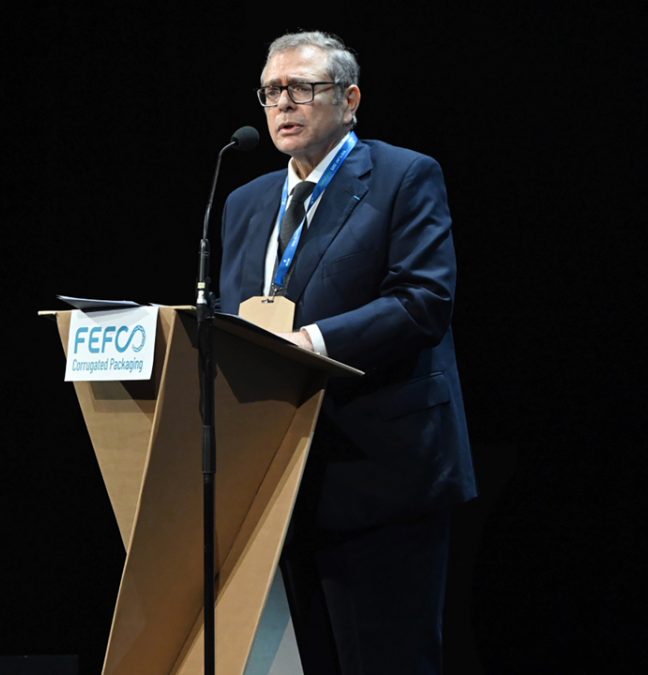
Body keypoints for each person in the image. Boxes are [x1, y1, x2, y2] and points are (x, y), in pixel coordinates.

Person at [217, 31, 477, 674]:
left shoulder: (403, 176)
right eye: (271, 91)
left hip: (380, 473)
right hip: (277, 477)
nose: (283, 103)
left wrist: (311, 342)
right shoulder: (244, 203)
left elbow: (423, 301)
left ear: (350, 99)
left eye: (302, 88)